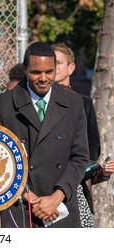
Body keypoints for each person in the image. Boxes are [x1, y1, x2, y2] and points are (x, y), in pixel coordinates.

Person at [0, 41, 89, 228]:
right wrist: (27, 196)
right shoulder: (3, 104)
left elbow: (80, 156)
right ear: (25, 69)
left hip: (61, 207)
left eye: (49, 72)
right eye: (36, 72)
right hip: (20, 207)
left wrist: (57, 197)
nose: (43, 78)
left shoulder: (73, 102)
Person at [52, 42, 114, 227]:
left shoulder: (84, 103)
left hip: (73, 185)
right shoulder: (39, 102)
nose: (53, 68)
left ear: (71, 68)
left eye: (58, 63)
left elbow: (92, 148)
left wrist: (95, 169)